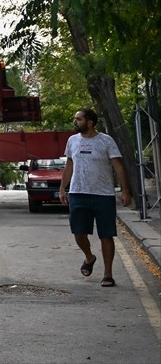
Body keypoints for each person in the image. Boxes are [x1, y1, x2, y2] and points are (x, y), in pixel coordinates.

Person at [60, 108, 132, 287]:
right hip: (78, 193)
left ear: (89, 122)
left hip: (103, 195)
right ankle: (89, 257)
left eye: (78, 119)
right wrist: (62, 188)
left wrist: (125, 190)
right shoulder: (72, 141)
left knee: (106, 235)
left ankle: (108, 274)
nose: (75, 122)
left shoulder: (106, 141)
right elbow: (69, 165)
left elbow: (118, 166)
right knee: (78, 232)